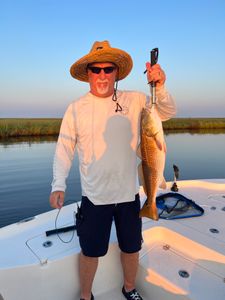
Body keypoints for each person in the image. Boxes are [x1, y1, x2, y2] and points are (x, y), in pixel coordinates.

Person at [49, 40, 176, 300]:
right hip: (95, 198)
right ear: (88, 74)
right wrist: (58, 184)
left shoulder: (137, 100)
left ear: (117, 72)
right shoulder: (76, 109)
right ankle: (86, 295)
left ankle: (129, 288)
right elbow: (64, 148)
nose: (102, 75)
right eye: (96, 70)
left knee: (131, 248)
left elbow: (167, 111)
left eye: (108, 69)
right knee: (90, 252)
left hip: (129, 195)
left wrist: (159, 86)